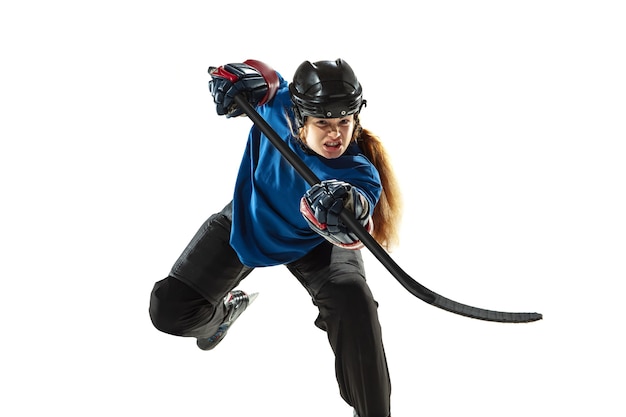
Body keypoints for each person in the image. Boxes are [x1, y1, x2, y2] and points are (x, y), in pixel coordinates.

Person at [149, 58, 402, 417]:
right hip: (251, 217)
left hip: (315, 240)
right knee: (169, 310)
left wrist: (344, 209)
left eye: (345, 122)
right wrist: (235, 79)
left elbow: (360, 206)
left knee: (355, 304)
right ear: (300, 117)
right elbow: (264, 77)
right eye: (323, 123)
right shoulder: (278, 105)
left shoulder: (358, 171)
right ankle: (223, 315)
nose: (336, 135)